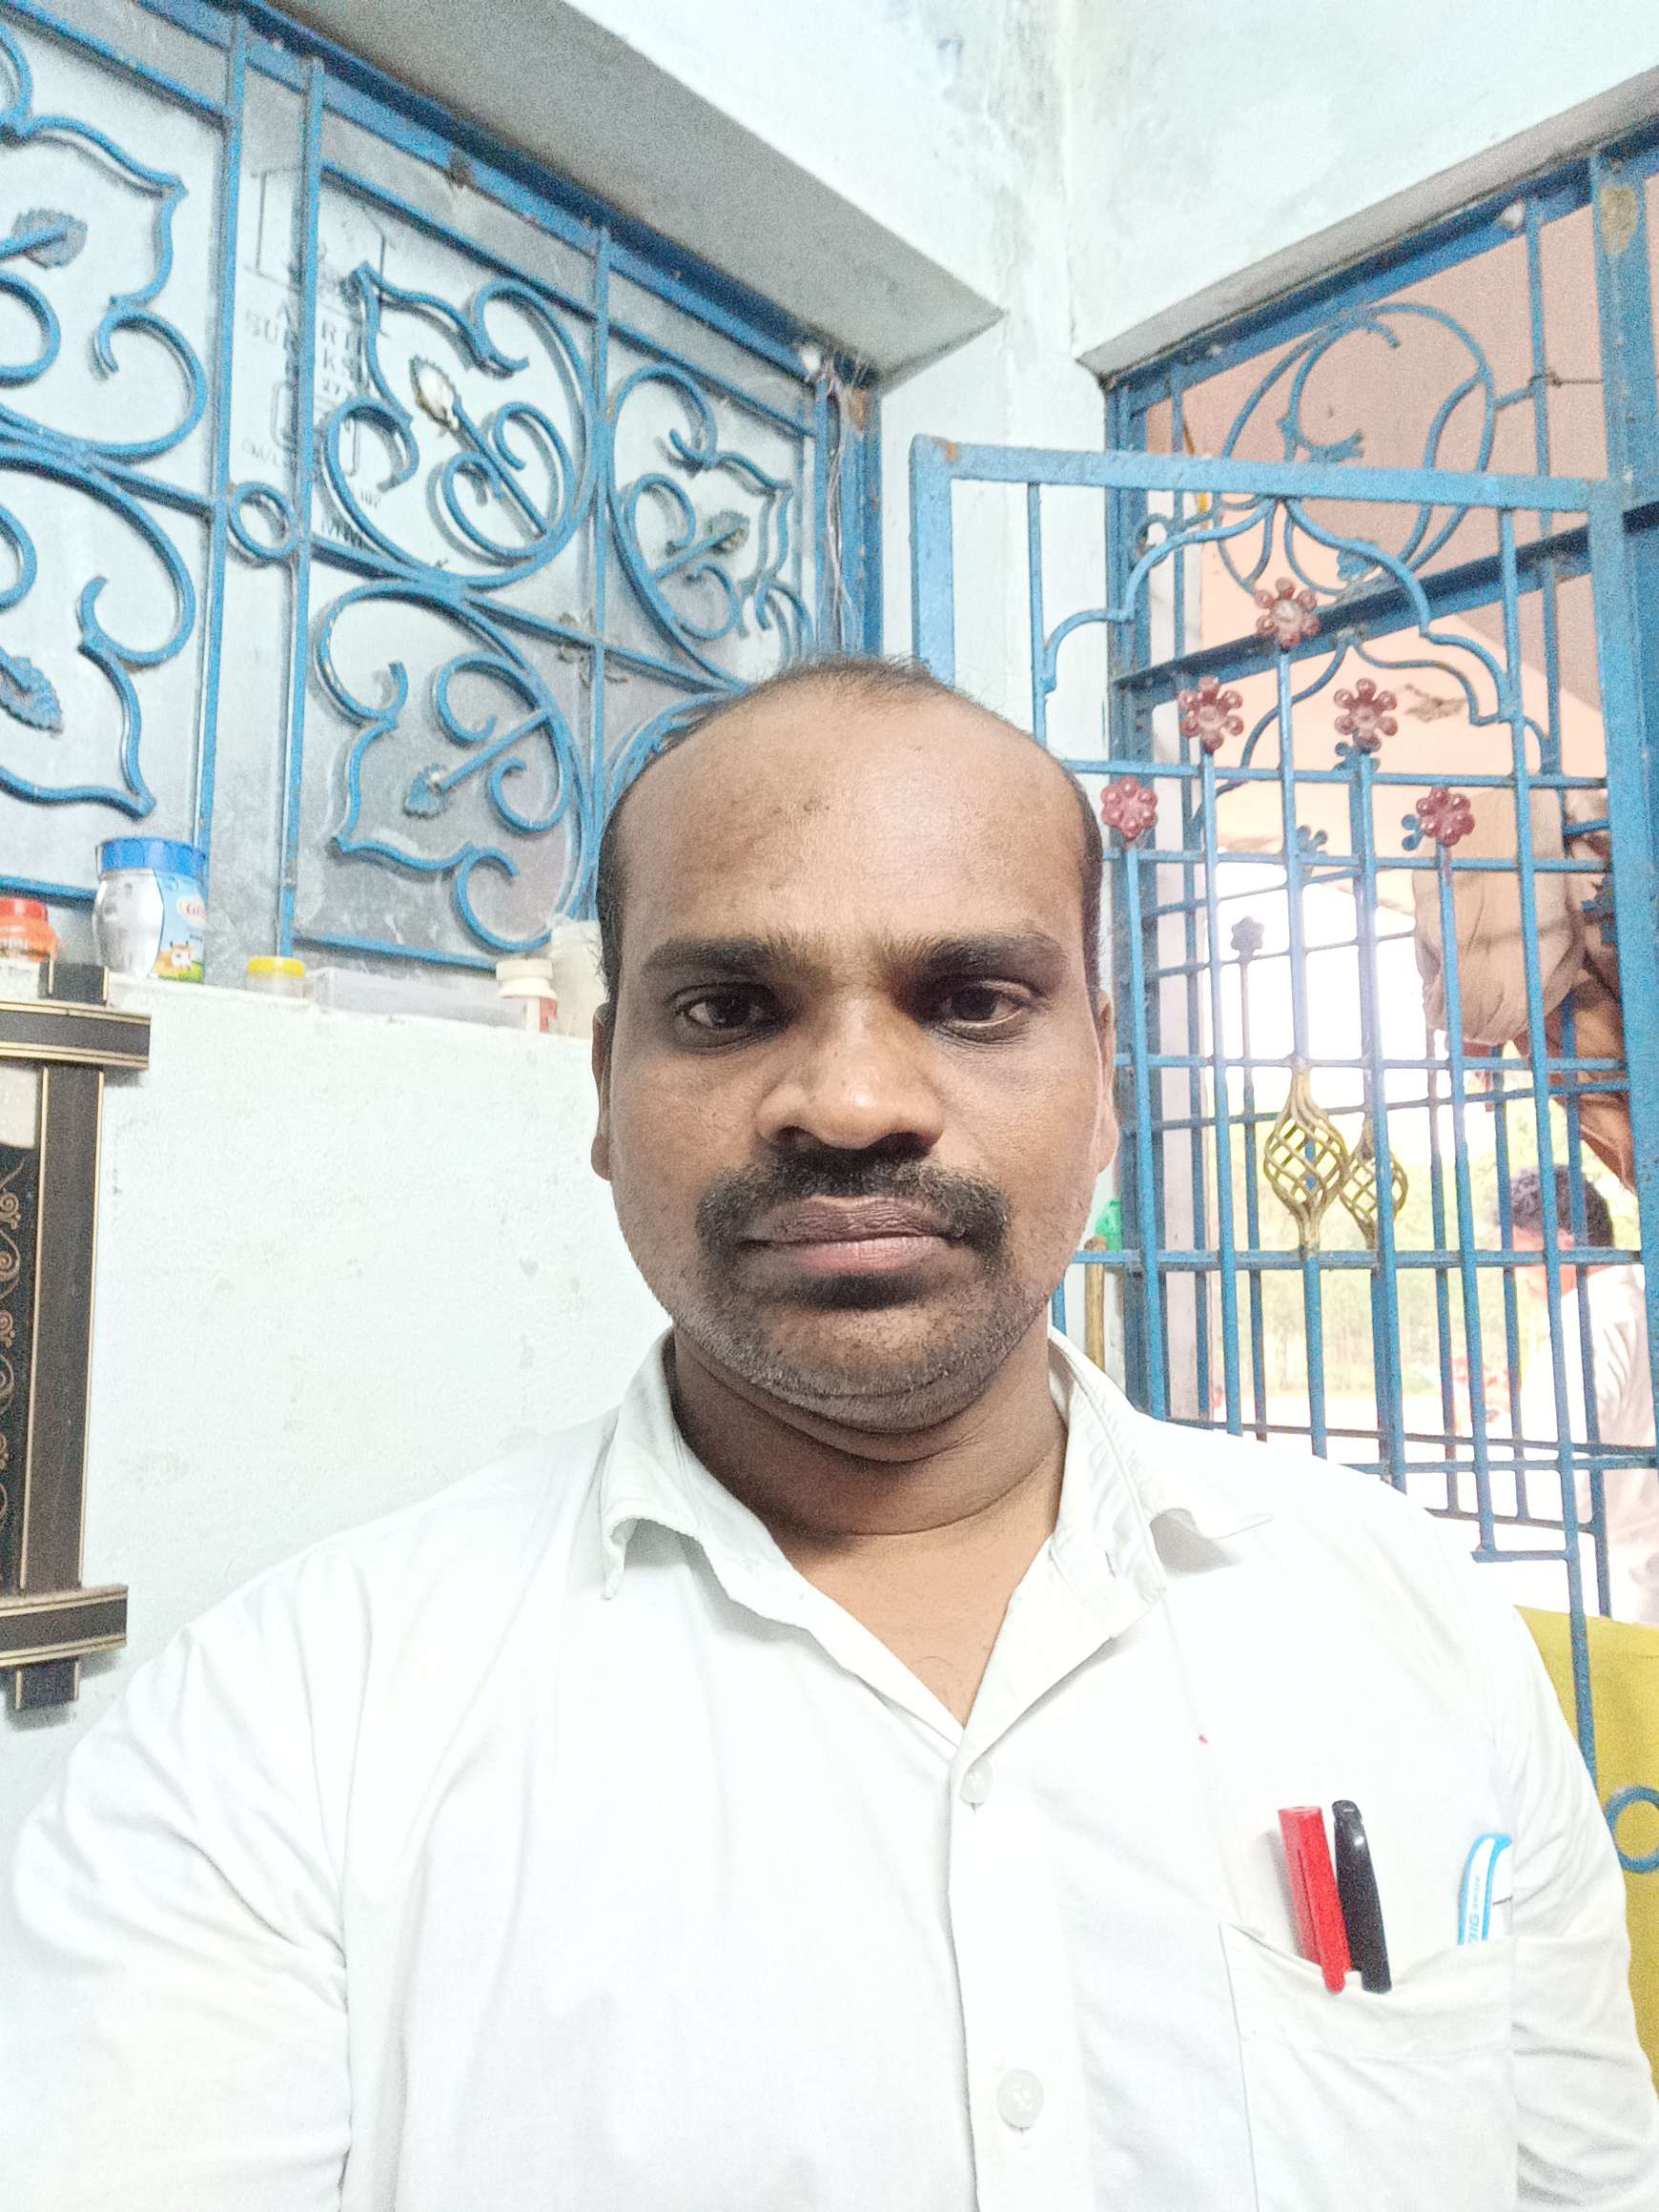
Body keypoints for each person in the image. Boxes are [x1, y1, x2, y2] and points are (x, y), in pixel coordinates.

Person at [3, 658, 1656, 2211]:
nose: (855, 1103)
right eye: (730, 1008)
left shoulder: (1412, 1630)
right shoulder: (276, 1743)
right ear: (603, 1088)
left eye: (975, 999)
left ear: (1104, 1083)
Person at [1510, 1166, 1658, 1625]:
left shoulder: (1587, 1328)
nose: (1518, 1278)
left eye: (1520, 1260)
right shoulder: (1640, 1309)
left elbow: (1558, 1488)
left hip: (1605, 1599)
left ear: (1562, 1243)